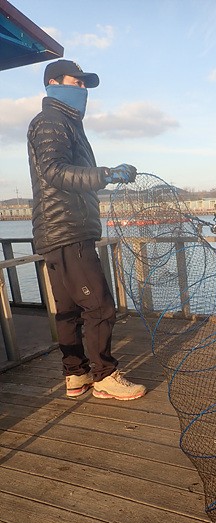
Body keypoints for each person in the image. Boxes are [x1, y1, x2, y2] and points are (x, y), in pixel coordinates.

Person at [27, 59, 146, 401]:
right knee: (100, 306)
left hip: (55, 232)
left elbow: (61, 172)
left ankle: (76, 375)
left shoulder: (65, 123)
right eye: (75, 82)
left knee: (68, 310)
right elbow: (55, 171)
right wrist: (105, 174)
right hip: (68, 230)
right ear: (53, 83)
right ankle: (105, 375)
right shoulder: (52, 121)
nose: (82, 89)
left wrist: (102, 176)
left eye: (84, 85)